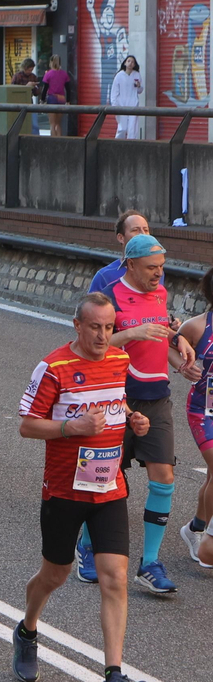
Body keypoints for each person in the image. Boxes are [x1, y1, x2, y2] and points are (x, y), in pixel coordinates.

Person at [13, 293, 153, 682]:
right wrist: (70, 427)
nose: (103, 336)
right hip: (64, 490)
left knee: (114, 576)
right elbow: (26, 426)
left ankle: (113, 675)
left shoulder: (118, 360)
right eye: (95, 327)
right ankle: (27, 629)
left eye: (109, 328)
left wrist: (132, 418)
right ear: (77, 325)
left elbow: (116, 401)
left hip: (109, 487)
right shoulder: (54, 366)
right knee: (54, 575)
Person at [92, 234, 201, 593]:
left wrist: (178, 340)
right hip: (116, 396)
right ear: (130, 265)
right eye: (152, 268)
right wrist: (132, 332)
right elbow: (97, 345)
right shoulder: (110, 298)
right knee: (105, 477)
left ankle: (149, 562)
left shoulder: (160, 293)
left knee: (164, 477)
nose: (159, 273)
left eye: (162, 267)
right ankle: (86, 545)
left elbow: (162, 331)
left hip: (156, 397)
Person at [175, 271, 213, 569]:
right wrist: (182, 366)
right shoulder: (198, 326)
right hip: (204, 409)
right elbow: (168, 344)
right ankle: (208, 540)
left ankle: (195, 529)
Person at [88, 209, 150, 294]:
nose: (143, 234)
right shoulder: (105, 276)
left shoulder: (156, 273)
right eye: (135, 230)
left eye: (146, 230)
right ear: (121, 238)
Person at [110, 55, 144, 140]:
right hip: (121, 105)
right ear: (125, 63)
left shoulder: (137, 75)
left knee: (132, 129)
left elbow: (140, 90)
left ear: (134, 64)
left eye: (132, 62)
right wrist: (114, 105)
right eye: (128, 61)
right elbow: (114, 92)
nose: (130, 63)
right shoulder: (119, 76)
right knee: (122, 128)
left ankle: (131, 146)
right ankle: (117, 146)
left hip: (133, 104)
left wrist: (139, 86)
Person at [40, 55, 71, 136]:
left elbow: (45, 89)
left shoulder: (48, 74)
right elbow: (68, 89)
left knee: (52, 124)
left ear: (51, 63)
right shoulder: (64, 74)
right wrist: (68, 100)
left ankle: (53, 142)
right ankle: (60, 140)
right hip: (61, 98)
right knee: (58, 124)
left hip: (52, 98)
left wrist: (42, 100)